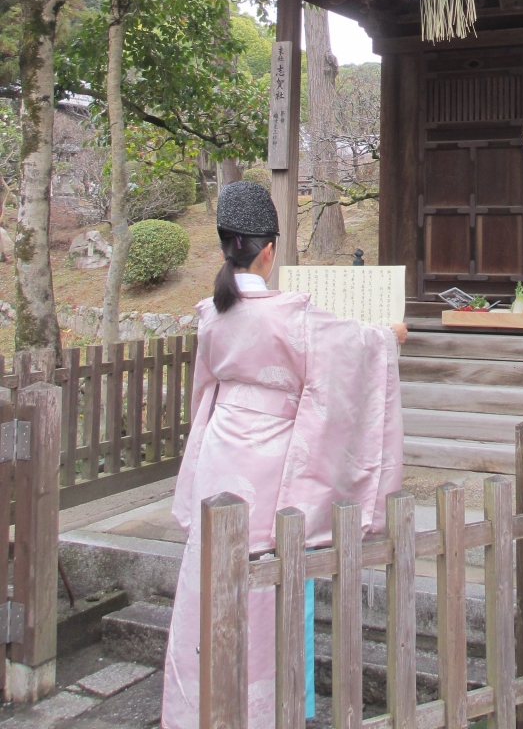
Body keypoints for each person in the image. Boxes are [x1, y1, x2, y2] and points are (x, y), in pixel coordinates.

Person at [161, 182, 405, 729]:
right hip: (270, 458)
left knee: (212, 574)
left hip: (220, 451)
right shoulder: (290, 318)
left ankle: (201, 705)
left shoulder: (213, 313)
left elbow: (203, 393)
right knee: (269, 572)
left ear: (226, 245)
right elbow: (352, 350)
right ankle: (264, 710)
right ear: (268, 250)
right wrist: (389, 337)